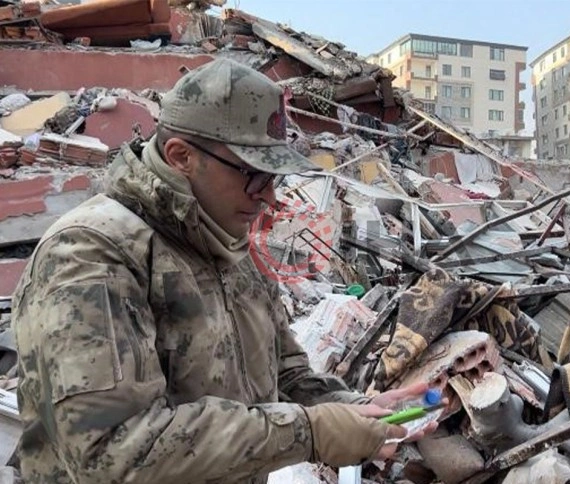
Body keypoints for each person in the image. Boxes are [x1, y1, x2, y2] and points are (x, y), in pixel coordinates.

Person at [11, 58, 435, 483]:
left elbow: (285, 374)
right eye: (253, 175)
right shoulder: (91, 254)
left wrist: (355, 411)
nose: (268, 196)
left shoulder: (227, 243)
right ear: (181, 157)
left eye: (274, 178)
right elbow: (115, 449)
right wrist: (310, 432)